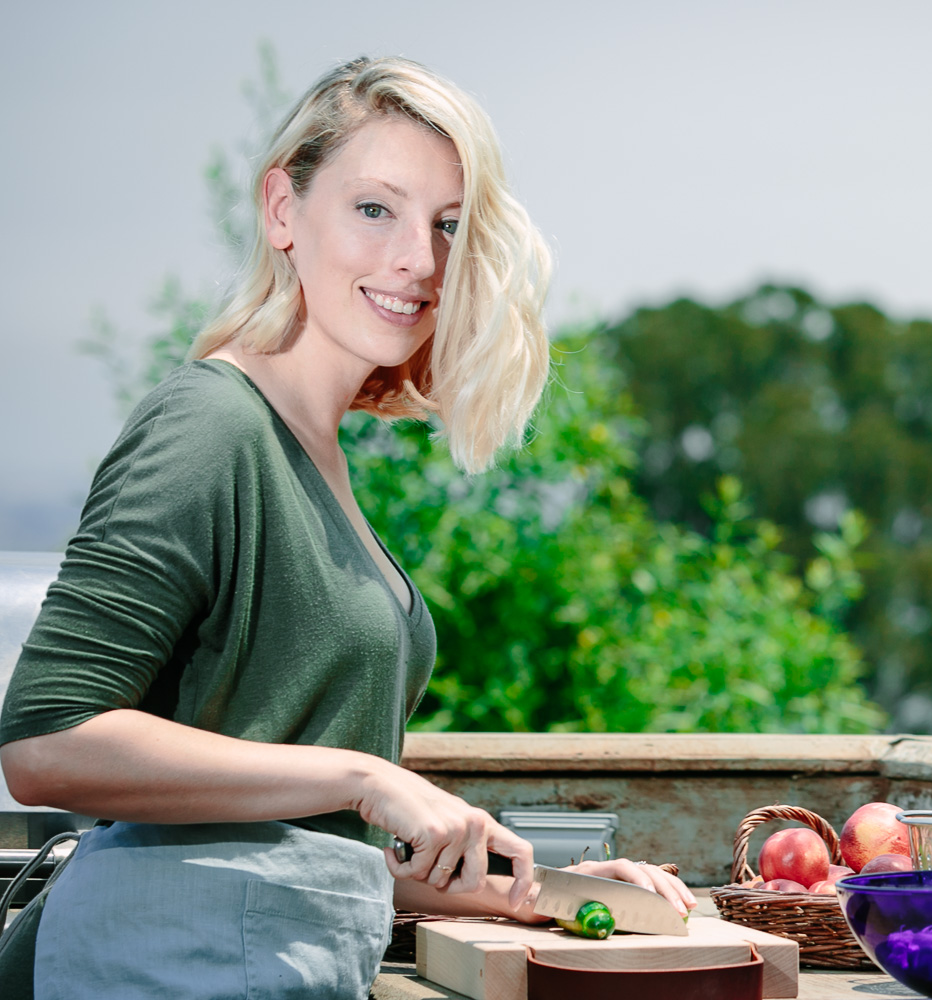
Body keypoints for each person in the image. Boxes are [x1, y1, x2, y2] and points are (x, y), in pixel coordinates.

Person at [0, 56, 696, 998]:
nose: (420, 259)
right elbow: (46, 743)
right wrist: (369, 779)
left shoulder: (316, 454)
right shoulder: (212, 427)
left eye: (448, 225)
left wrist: (529, 892)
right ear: (282, 210)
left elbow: (296, 853)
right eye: (377, 209)